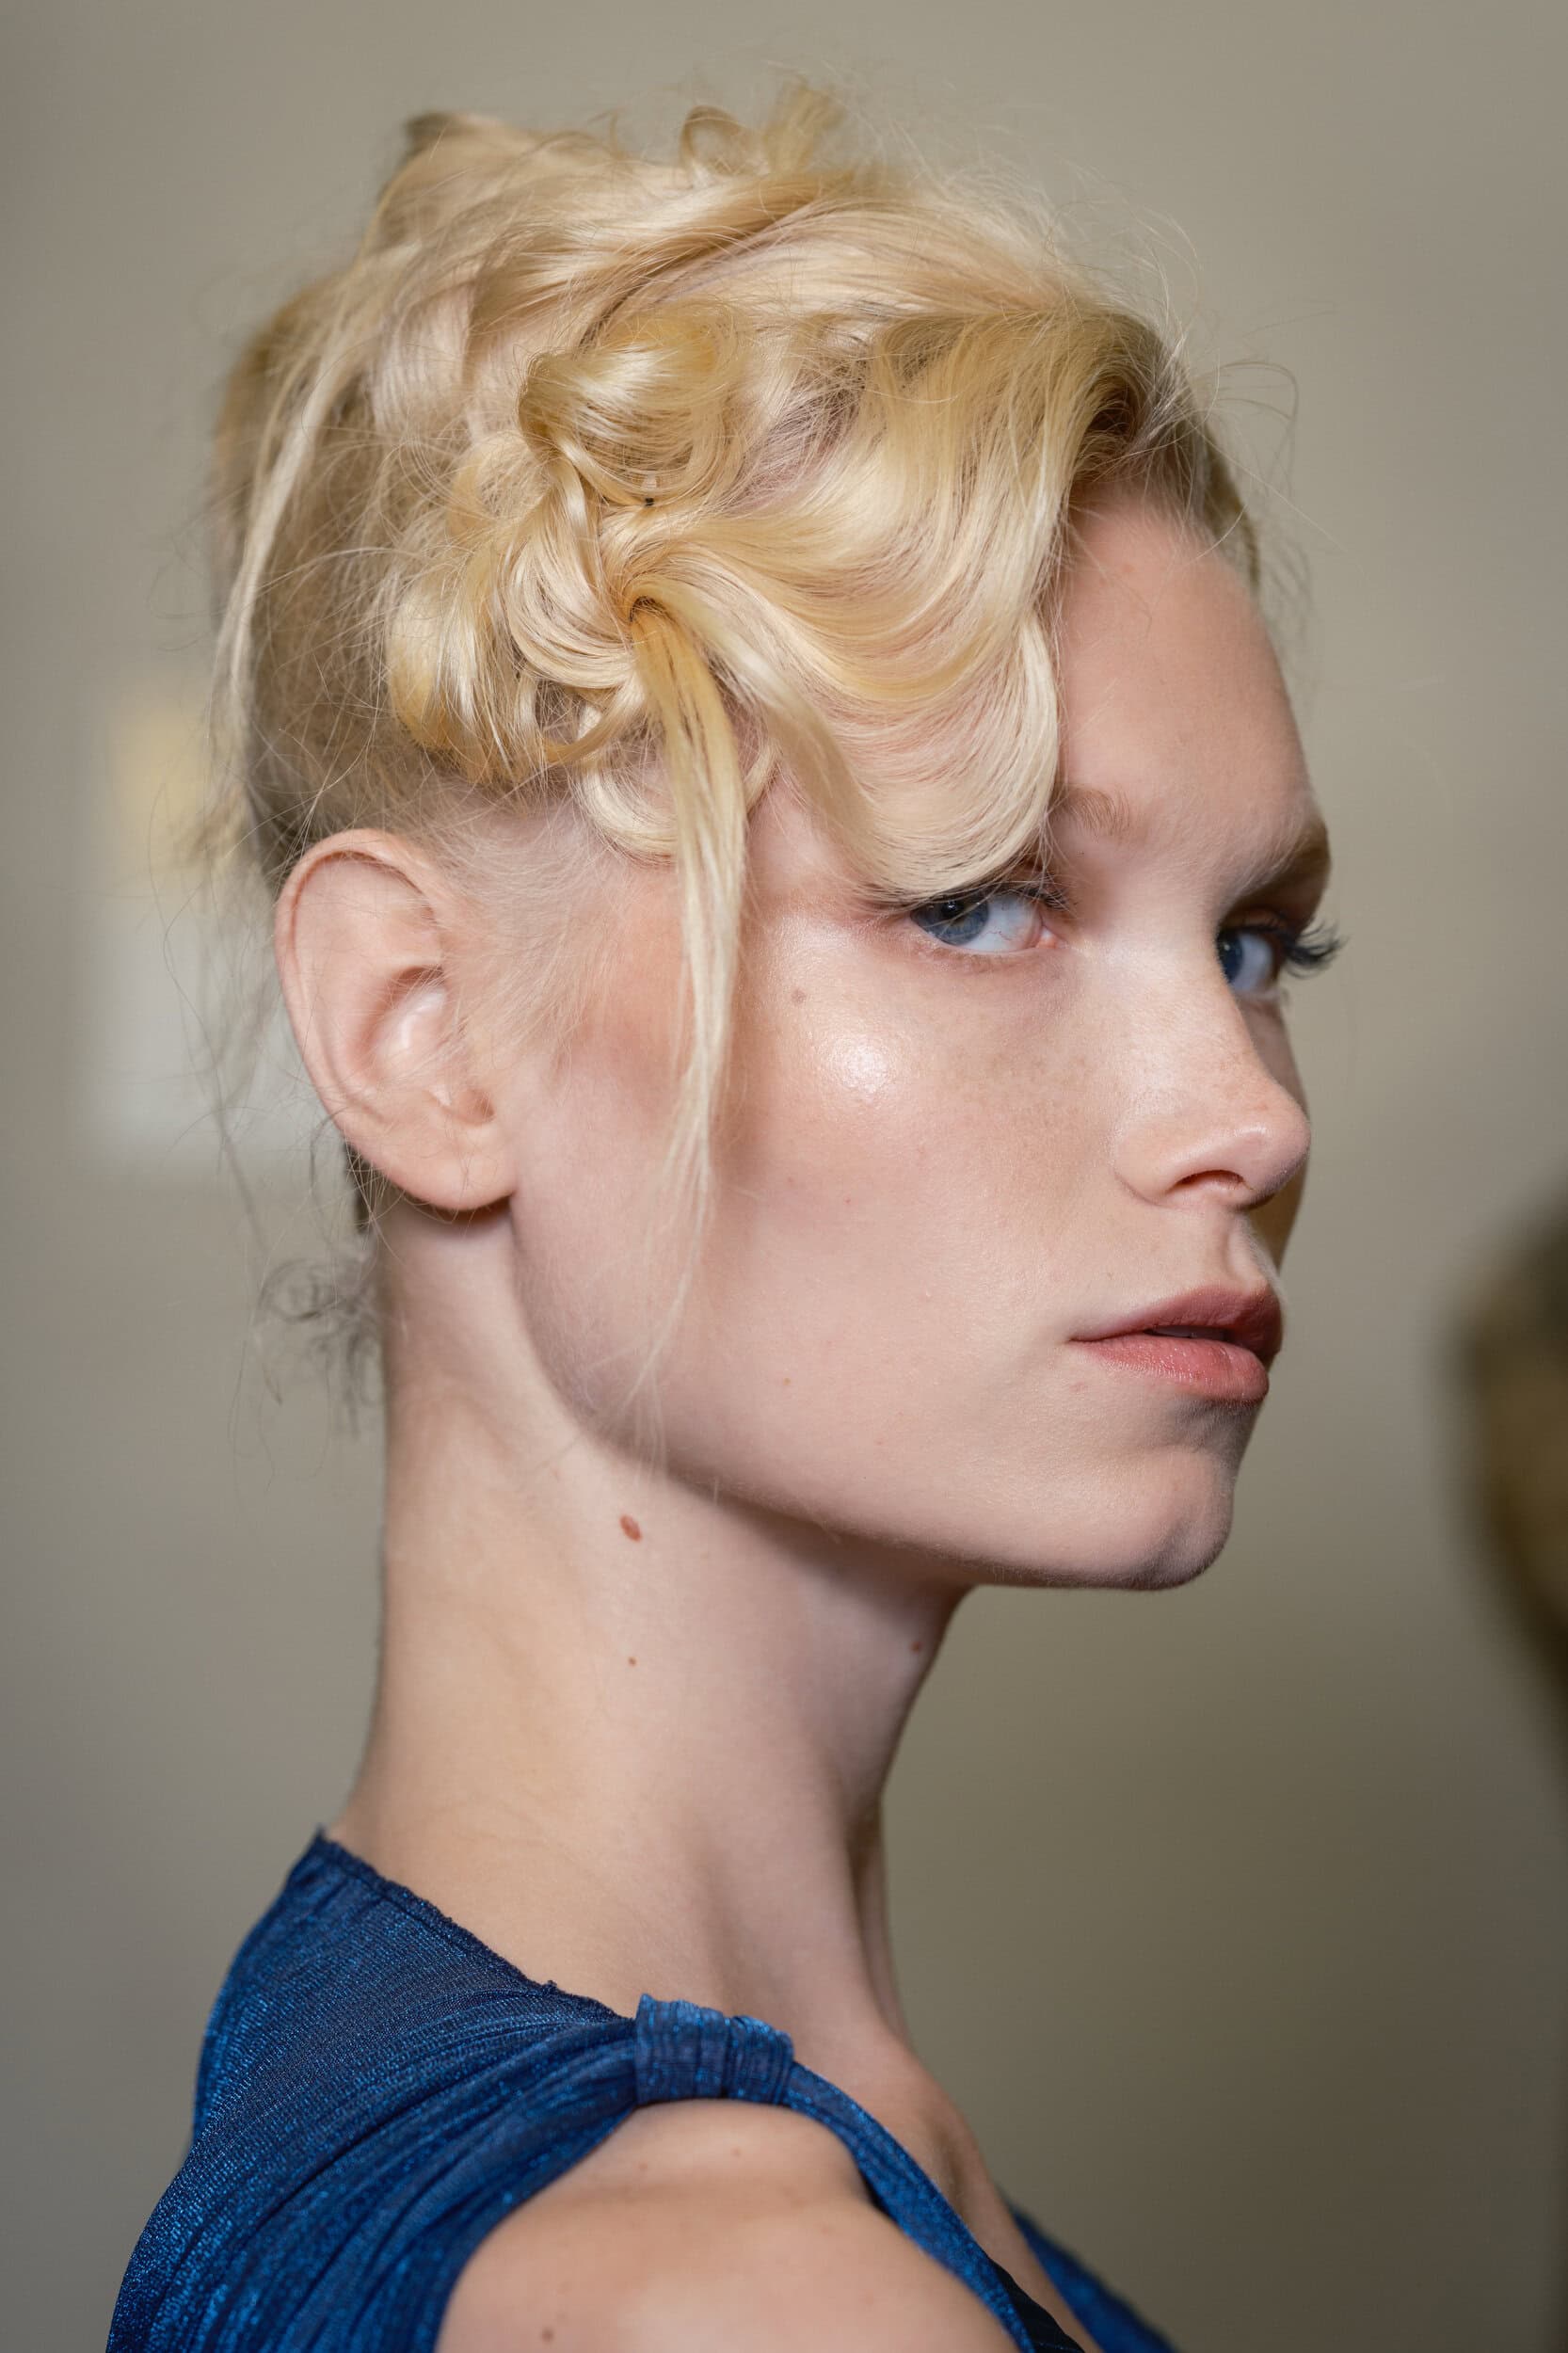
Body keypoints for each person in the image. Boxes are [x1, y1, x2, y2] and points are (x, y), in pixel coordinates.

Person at [107, 74, 1341, 2353]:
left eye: (1256, 940)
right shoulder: (728, 2293)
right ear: (421, 1032)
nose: (1245, 1116)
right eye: (977, 900)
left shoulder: (521, 2111)